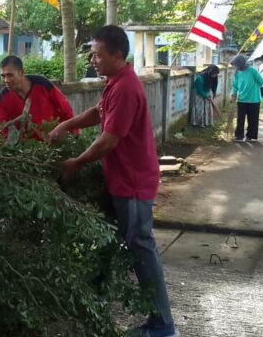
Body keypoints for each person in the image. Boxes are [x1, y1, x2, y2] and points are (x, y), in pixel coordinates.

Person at [47, 26, 177, 337]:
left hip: (132, 183)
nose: (93, 60)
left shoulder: (126, 87)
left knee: (141, 247)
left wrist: (76, 163)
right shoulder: (115, 82)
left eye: (97, 54)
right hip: (119, 179)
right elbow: (98, 112)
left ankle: (163, 326)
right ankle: (95, 297)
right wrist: (67, 123)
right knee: (108, 239)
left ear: (118, 55)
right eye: (92, 54)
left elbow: (108, 140)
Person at [0, 55, 75, 139]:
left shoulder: (43, 84)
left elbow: (66, 110)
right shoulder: (3, 97)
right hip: (27, 148)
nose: (6, 80)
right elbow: (2, 129)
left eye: (10, 75)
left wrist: (74, 135)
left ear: (21, 72)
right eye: (3, 76)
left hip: (54, 140)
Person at [230, 55, 263, 142]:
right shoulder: (237, 72)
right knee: (240, 119)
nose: (236, 67)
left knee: (252, 119)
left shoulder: (252, 70)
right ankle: (239, 136)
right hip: (241, 99)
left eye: (237, 65)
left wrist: (253, 87)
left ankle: (250, 136)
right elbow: (235, 85)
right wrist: (233, 93)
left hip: (254, 99)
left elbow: (261, 81)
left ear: (241, 63)